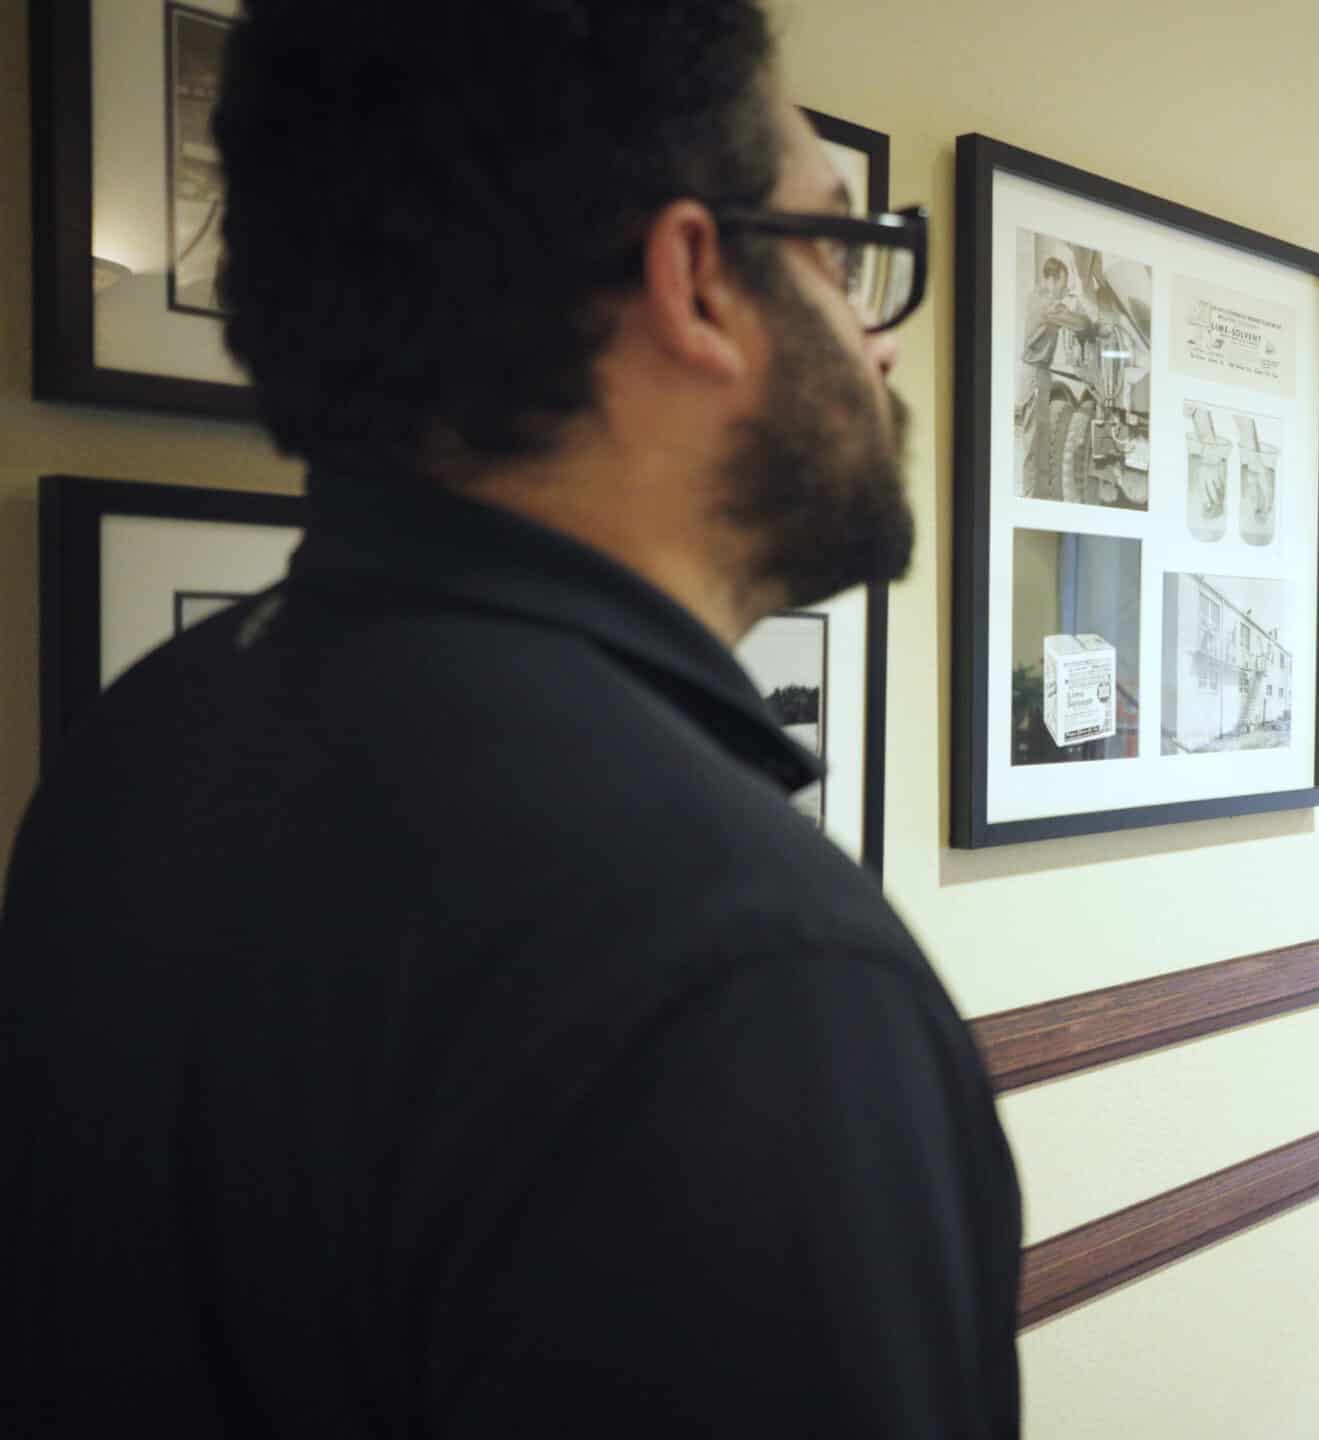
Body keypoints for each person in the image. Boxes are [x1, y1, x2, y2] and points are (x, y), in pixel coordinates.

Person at [0, 3, 1019, 1435]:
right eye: (841, 253)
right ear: (698, 282)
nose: (879, 343)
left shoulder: (139, 745)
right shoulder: (741, 961)